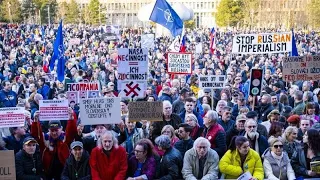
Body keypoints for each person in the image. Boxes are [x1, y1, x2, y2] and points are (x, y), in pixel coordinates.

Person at [30, 109, 77, 179]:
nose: (54, 133)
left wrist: (71, 118)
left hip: (64, 173)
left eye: (56, 130)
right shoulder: (45, 139)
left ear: (61, 129)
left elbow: (72, 132)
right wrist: (35, 121)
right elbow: (36, 135)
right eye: (52, 130)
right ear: (48, 130)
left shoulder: (65, 139)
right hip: (48, 173)